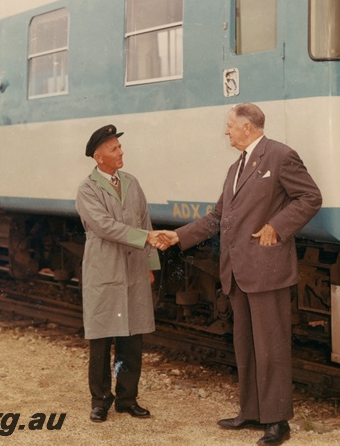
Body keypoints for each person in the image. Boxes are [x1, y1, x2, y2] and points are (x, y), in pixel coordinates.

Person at [159, 103, 321, 445]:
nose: (226, 131)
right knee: (245, 345)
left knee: (271, 348)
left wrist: (277, 226)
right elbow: (218, 218)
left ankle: (277, 422)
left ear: (247, 127)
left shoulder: (280, 156)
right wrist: (178, 236)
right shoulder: (236, 168)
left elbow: (310, 197)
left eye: (230, 126)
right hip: (238, 271)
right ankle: (251, 412)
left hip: (267, 269)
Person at [76, 124, 166, 423]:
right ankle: (100, 401)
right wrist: (144, 238)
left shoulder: (132, 182)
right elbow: (104, 226)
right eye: (114, 149)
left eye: (120, 147)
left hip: (134, 268)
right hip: (104, 268)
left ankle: (127, 399)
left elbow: (145, 221)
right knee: (101, 337)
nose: (120, 152)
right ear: (99, 157)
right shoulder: (87, 189)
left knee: (133, 336)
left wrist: (150, 266)